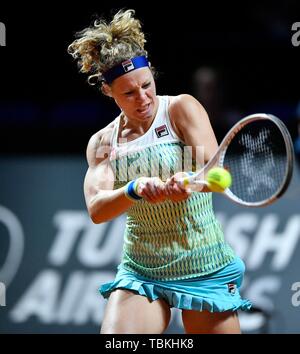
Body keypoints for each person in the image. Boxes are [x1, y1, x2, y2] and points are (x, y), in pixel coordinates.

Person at [68, 9, 251, 334]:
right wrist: (134, 189)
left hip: (204, 263)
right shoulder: (103, 143)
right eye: (128, 93)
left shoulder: (181, 109)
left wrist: (190, 182)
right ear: (108, 91)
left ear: (152, 74)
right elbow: (97, 210)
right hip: (142, 270)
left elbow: (217, 175)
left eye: (146, 85)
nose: (143, 98)